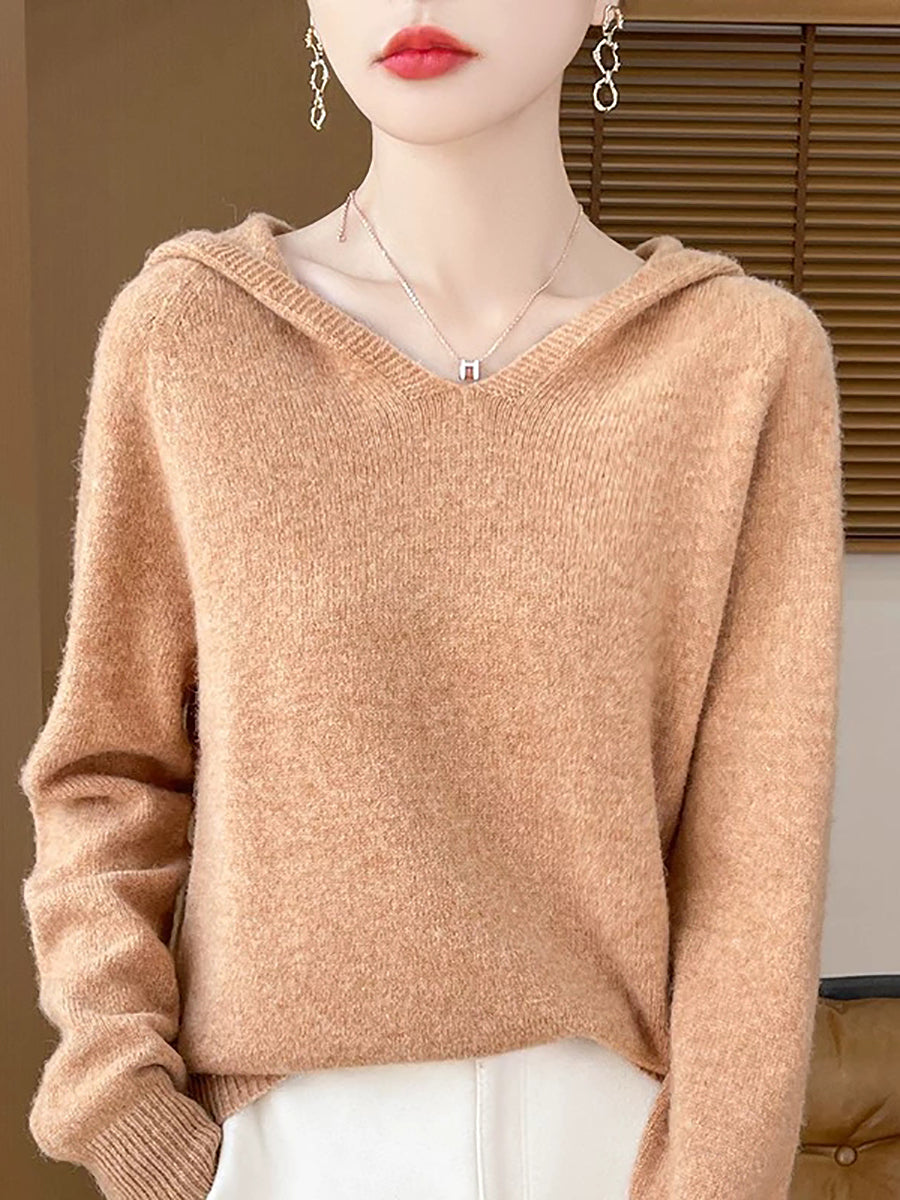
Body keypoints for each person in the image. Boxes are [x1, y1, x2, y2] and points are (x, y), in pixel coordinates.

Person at [17, 1, 845, 1198]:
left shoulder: (740, 362)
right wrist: (133, 1121)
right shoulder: (192, 334)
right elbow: (108, 773)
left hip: (613, 1153)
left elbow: (753, 870)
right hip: (280, 1153)